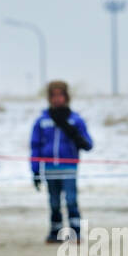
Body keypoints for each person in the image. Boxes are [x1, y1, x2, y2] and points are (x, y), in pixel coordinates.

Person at [30, 80, 93, 242]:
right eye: (53, 95)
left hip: (69, 167)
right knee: (54, 201)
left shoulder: (75, 120)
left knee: (71, 200)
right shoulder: (42, 121)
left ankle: (75, 232)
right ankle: (55, 232)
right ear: (49, 98)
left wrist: (79, 139)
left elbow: (88, 143)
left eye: (60, 95)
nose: (57, 99)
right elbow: (35, 147)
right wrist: (35, 170)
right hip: (50, 168)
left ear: (66, 97)